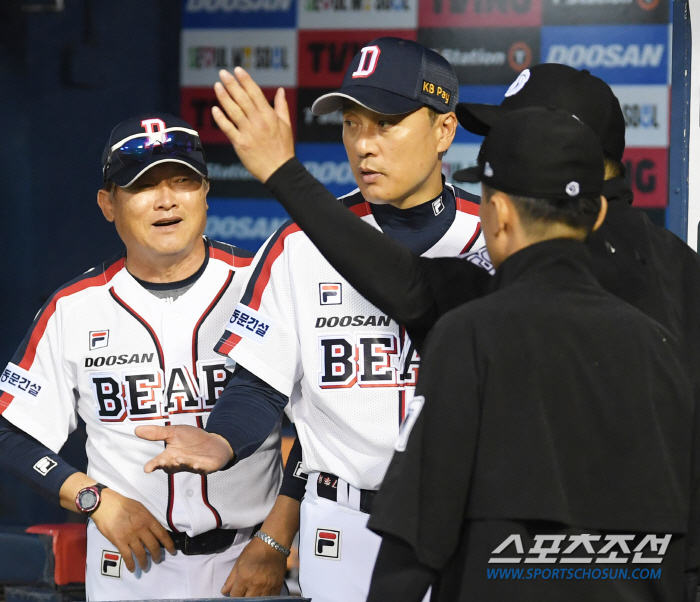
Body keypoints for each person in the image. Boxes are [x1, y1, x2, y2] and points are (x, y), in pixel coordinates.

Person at [137, 37, 485, 601]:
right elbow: (258, 385)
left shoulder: (493, 237)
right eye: (352, 124)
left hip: (472, 522)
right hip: (346, 527)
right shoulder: (297, 245)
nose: (364, 146)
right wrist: (224, 439)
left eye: (387, 124)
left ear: (443, 130)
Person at [366, 106, 694, 602]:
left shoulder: (468, 336)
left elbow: (413, 546)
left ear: (497, 215)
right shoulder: (660, 349)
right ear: (599, 214)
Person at [0, 113, 283, 600]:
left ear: (206, 193)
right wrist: (94, 499)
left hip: (247, 559)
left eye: (183, 181)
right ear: (108, 205)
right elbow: (9, 430)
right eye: (143, 185)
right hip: (129, 569)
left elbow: (321, 430)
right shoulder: (75, 308)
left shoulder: (263, 285)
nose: (167, 199)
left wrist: (275, 541)